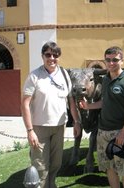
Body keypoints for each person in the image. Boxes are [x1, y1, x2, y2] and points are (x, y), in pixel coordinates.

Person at [21, 41, 81, 188]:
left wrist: (77, 122)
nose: (52, 58)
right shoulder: (34, 76)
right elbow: (25, 104)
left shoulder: (65, 75)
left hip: (59, 127)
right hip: (39, 128)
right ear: (42, 56)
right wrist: (30, 131)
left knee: (56, 163)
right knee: (40, 165)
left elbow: (70, 100)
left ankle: (51, 184)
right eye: (48, 54)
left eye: (55, 55)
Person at [80, 46, 124, 188]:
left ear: (122, 61)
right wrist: (88, 106)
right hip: (103, 132)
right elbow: (104, 102)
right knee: (109, 168)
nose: (111, 63)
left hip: (121, 133)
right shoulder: (105, 80)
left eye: (115, 60)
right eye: (108, 60)